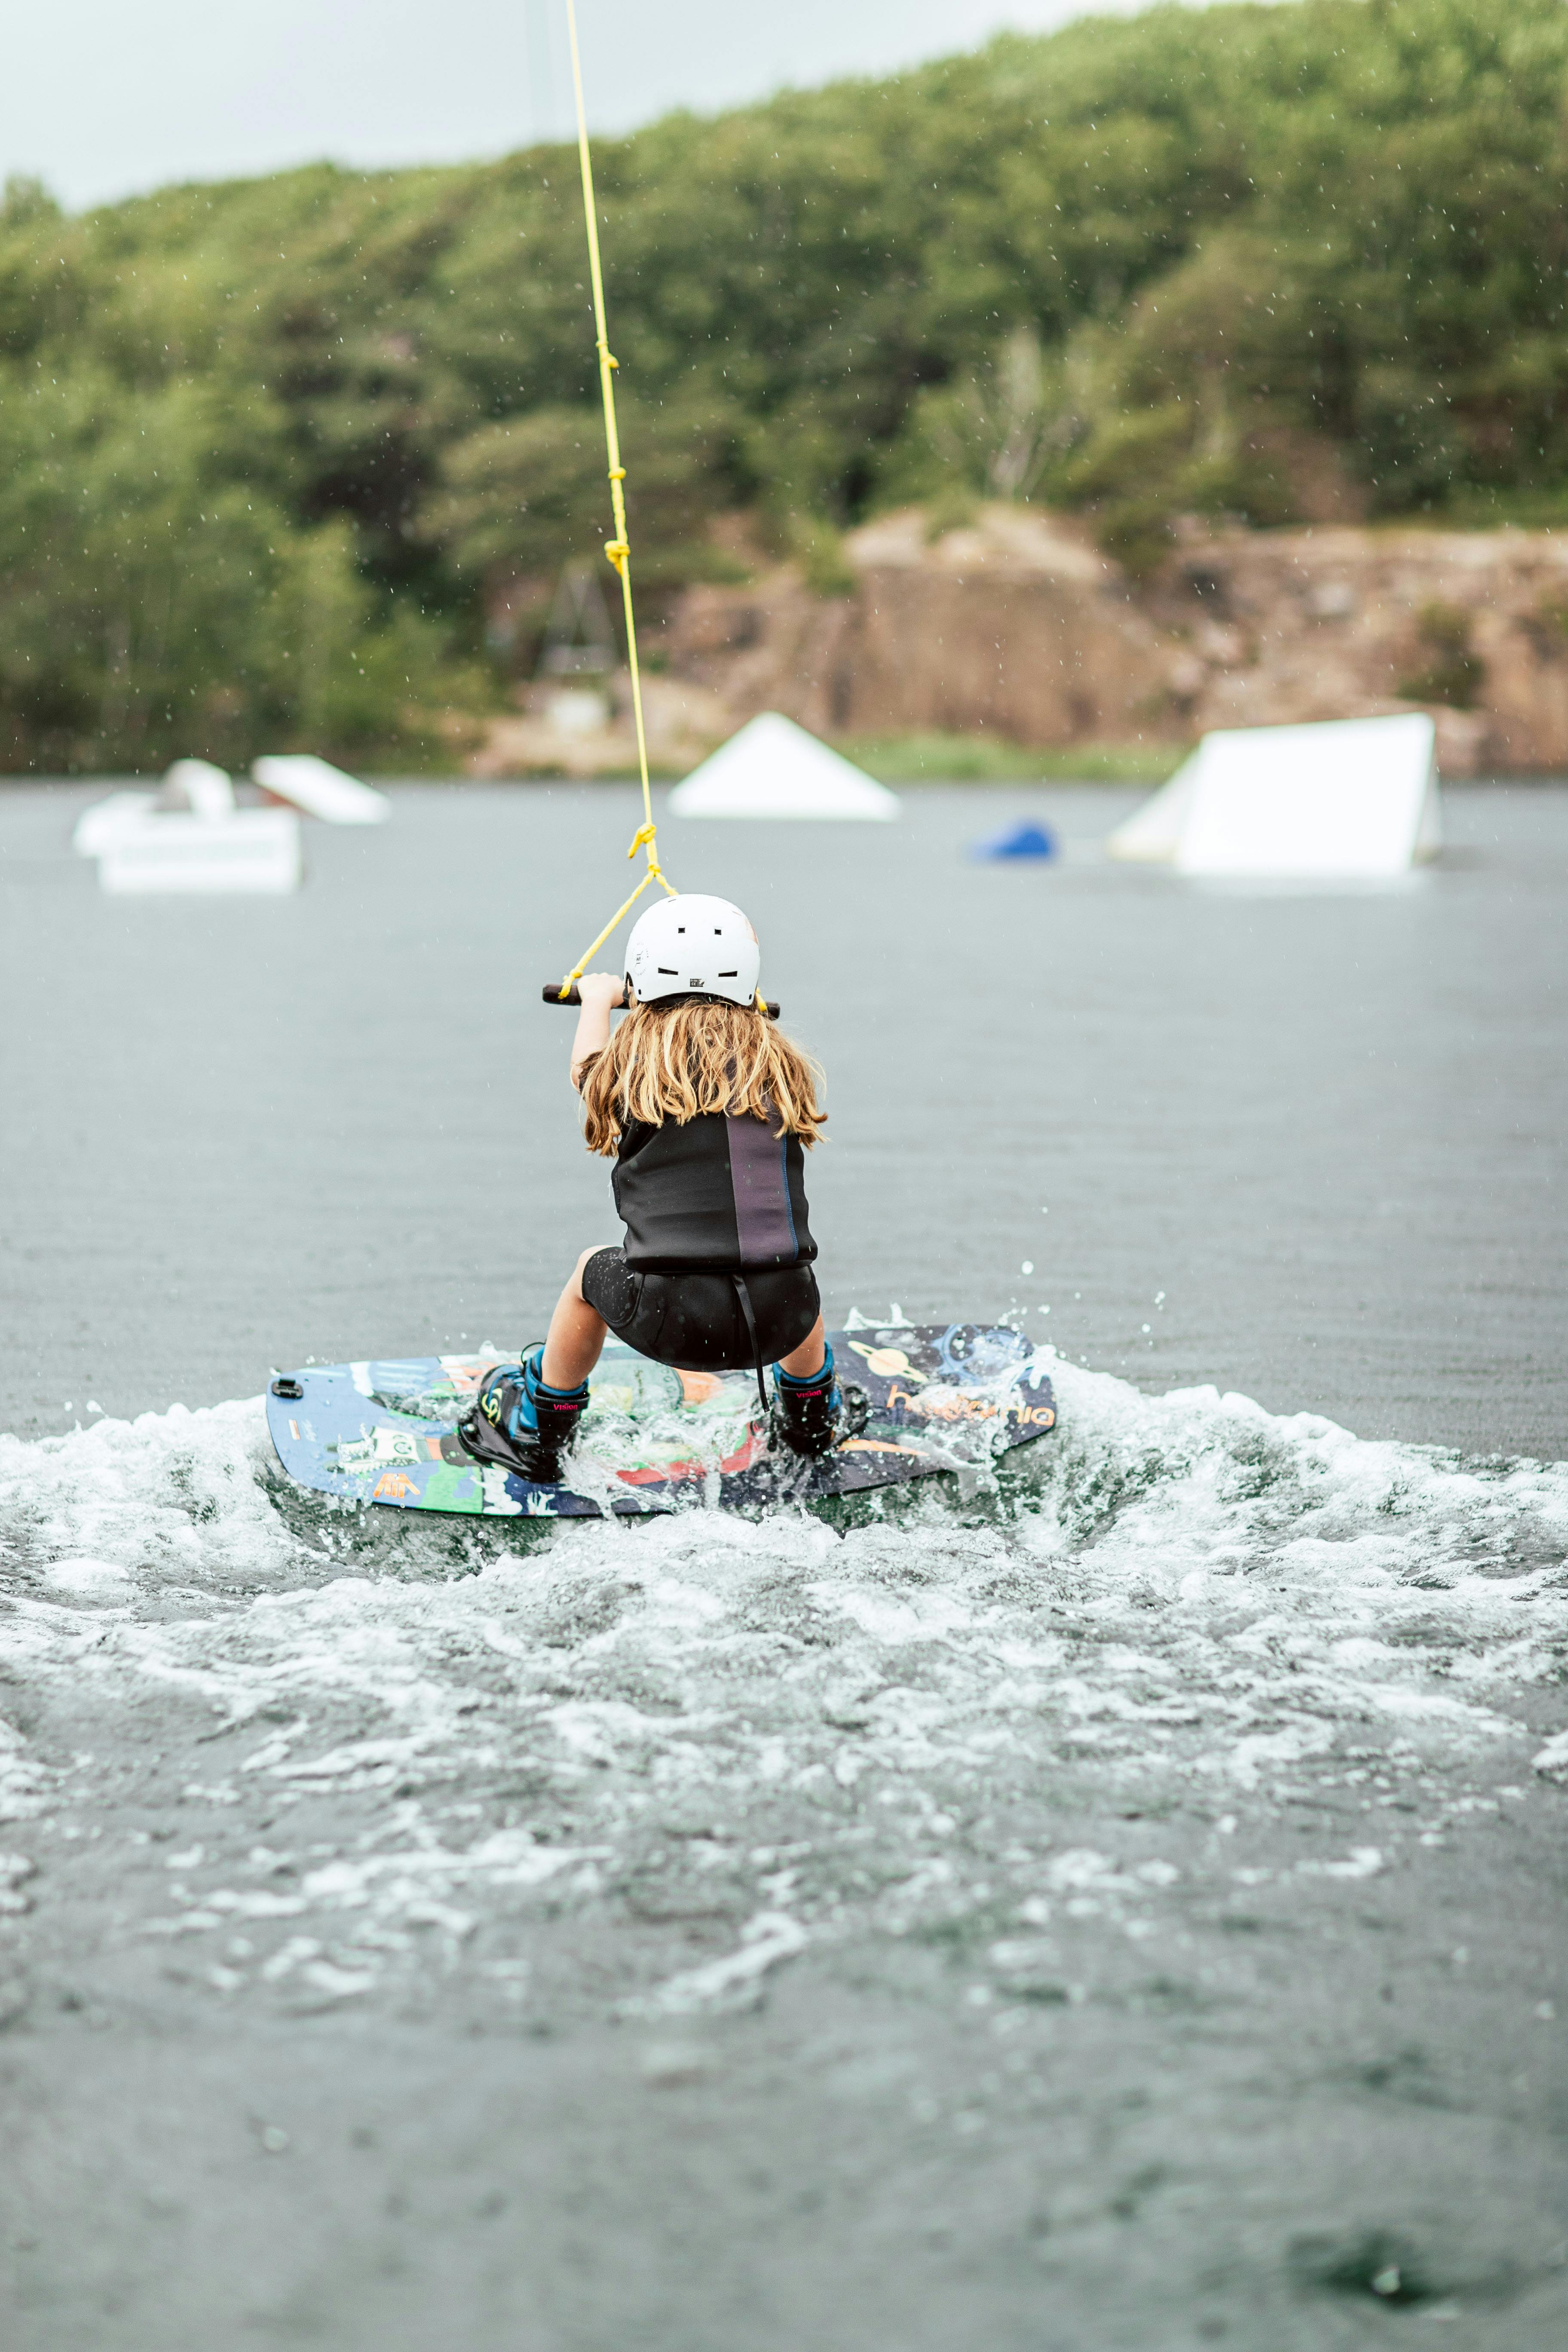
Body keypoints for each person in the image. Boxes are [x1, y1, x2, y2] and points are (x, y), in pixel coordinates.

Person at [459, 893, 862, 1484]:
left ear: (639, 978)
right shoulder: (782, 1066)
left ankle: (543, 1427)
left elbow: (586, 1073)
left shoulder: (632, 1065)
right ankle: (809, 1417)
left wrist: (597, 1001)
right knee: (792, 1268)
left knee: (589, 1271)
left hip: (668, 1321)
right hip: (779, 1323)